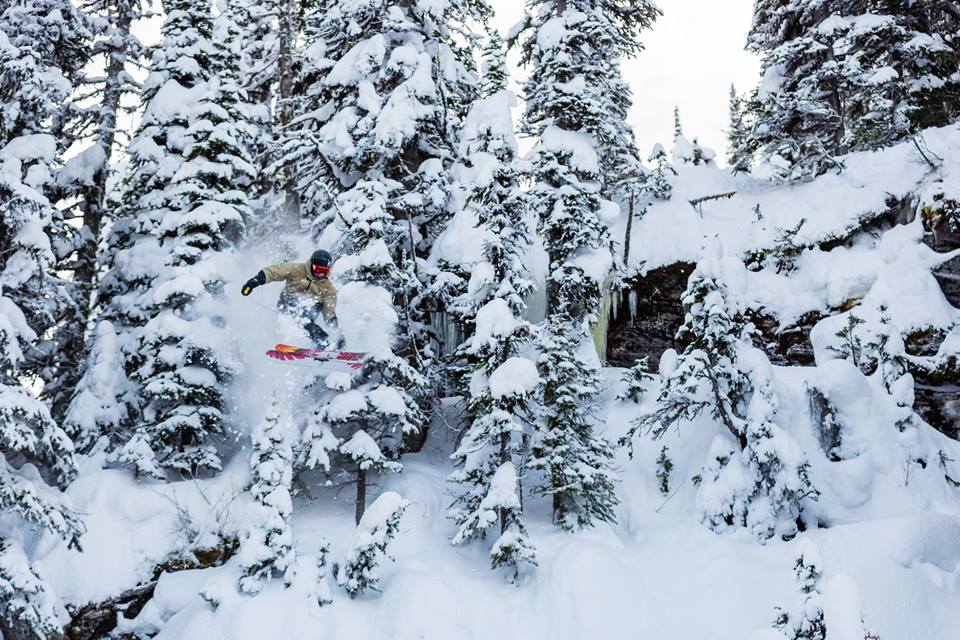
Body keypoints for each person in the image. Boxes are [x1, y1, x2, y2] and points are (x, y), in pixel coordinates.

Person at [242, 249, 338, 346]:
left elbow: (329, 311)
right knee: (298, 316)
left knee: (307, 318)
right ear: (311, 265)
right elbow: (274, 271)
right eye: (318, 270)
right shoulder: (296, 269)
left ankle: (323, 343)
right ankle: (314, 338)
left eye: (324, 271)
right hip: (288, 302)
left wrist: (337, 334)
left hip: (309, 308)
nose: (321, 274)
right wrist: (255, 281)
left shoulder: (328, 287)